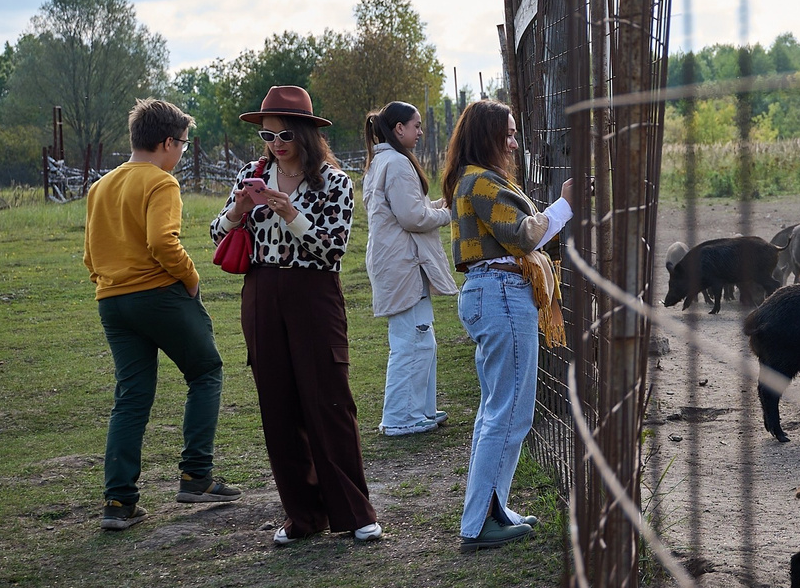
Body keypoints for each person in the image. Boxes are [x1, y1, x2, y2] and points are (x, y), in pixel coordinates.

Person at [208, 86, 380, 546]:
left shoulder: (335, 182)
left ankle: (355, 512)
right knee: (277, 405)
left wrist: (291, 213)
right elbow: (214, 232)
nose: (276, 142)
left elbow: (332, 250)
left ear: (305, 132)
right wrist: (237, 210)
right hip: (262, 290)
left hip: (313, 290)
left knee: (329, 401)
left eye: (284, 133)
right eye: (267, 134)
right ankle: (302, 516)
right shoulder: (251, 174)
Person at [84, 100, 236, 530]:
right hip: (159, 295)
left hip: (111, 300)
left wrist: (109, 281)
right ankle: (196, 475)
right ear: (167, 142)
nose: (182, 153)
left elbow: (90, 255)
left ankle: (119, 503)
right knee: (206, 371)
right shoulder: (161, 183)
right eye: (183, 145)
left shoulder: (100, 186)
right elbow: (161, 242)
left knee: (130, 398)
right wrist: (190, 278)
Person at [442, 100, 570, 553]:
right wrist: (566, 205)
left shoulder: (471, 178)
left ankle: (493, 509)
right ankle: (477, 524)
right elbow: (524, 234)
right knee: (509, 412)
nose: (514, 142)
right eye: (508, 134)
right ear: (487, 136)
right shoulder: (481, 180)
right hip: (500, 293)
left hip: (489, 292)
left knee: (497, 410)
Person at [362, 101, 455, 437]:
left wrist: (437, 205)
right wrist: (447, 214)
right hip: (403, 263)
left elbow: (407, 209)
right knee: (411, 340)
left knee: (420, 337)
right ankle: (400, 417)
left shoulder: (380, 162)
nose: (419, 132)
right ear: (398, 129)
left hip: (396, 261)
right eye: (415, 126)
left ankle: (420, 410)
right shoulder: (398, 164)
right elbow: (412, 218)